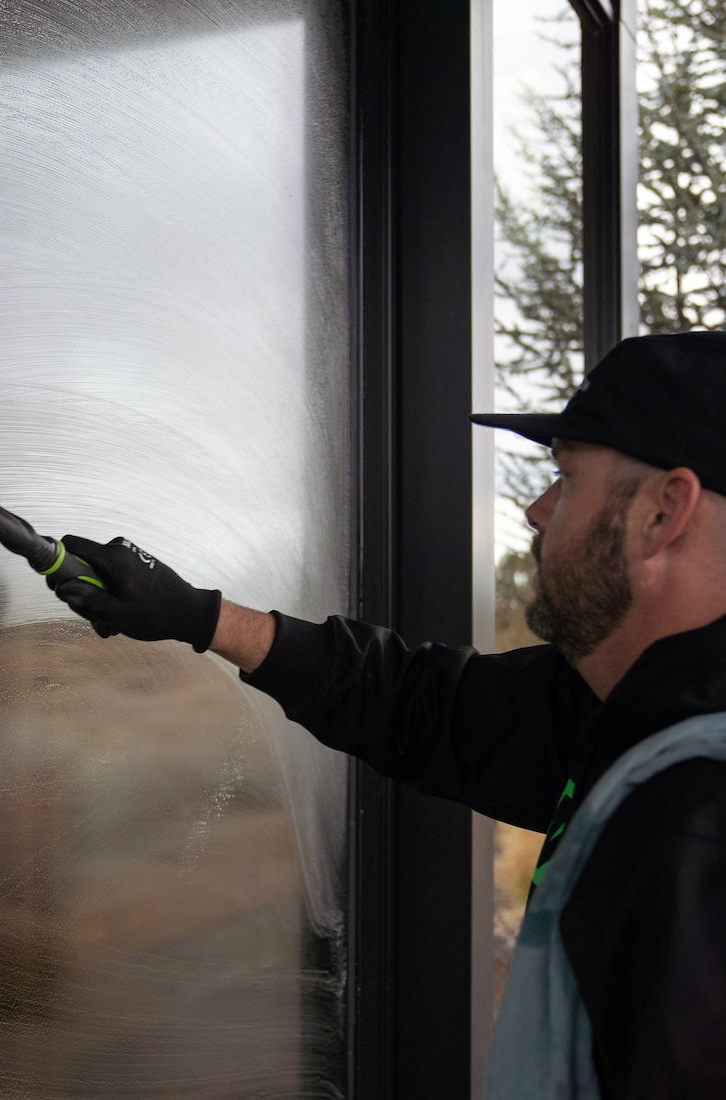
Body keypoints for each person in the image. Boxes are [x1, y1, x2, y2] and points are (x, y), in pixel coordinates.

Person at [48, 330, 726, 1099]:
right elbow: (424, 703)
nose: (537, 511)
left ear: (664, 512)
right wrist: (197, 616)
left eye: (566, 478)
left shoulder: (695, 810)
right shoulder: (635, 712)